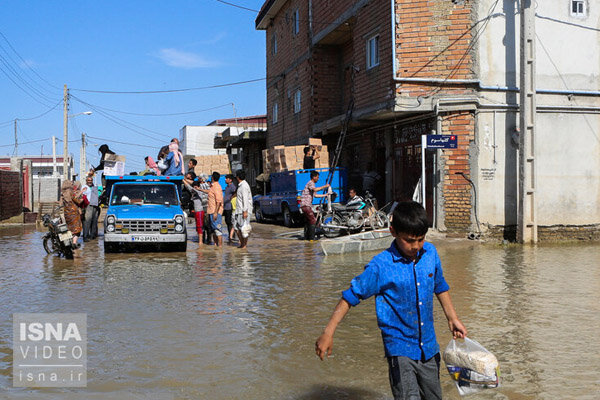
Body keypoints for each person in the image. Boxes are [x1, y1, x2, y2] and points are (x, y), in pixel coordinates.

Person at [315, 201, 468, 400]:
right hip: (399, 348)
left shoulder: (430, 254)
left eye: (420, 239)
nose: (416, 246)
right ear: (393, 232)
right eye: (409, 240)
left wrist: (452, 318)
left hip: (429, 347)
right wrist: (328, 332)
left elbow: (439, 286)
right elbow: (351, 297)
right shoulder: (380, 266)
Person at [300, 170, 330, 241]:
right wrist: (325, 186)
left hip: (306, 206)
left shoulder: (312, 184)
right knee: (313, 220)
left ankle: (307, 237)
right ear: (314, 177)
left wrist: (325, 195)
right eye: (317, 177)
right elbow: (315, 189)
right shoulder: (311, 183)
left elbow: (315, 195)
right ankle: (311, 238)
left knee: (308, 221)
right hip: (306, 205)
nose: (318, 179)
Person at [61, 180, 85, 247]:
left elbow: (61, 203)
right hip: (73, 213)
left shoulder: (63, 193)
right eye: (71, 184)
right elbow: (77, 201)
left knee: (70, 228)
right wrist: (82, 200)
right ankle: (74, 243)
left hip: (66, 213)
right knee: (77, 229)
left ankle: (68, 242)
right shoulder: (71, 192)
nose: (72, 185)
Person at [233, 169, 252, 249]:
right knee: (237, 228)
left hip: (243, 211)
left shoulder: (244, 186)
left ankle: (244, 245)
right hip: (239, 210)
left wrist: (245, 211)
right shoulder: (241, 185)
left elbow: (245, 199)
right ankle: (242, 244)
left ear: (237, 177)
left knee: (244, 229)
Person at [206, 172, 224, 247]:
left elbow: (219, 201)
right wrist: (199, 189)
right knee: (213, 229)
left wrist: (216, 212)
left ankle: (220, 246)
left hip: (215, 212)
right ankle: (216, 245)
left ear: (212, 178)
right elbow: (209, 192)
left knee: (217, 230)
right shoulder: (212, 187)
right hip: (211, 211)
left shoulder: (217, 187)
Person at [82, 176, 99, 241]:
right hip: (88, 205)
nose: (90, 181)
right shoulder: (84, 187)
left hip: (95, 205)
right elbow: (82, 196)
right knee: (87, 221)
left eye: (91, 180)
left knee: (94, 221)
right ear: (86, 181)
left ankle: (92, 236)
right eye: (88, 180)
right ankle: (85, 236)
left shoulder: (94, 187)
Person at [223, 174, 237, 243]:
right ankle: (230, 236)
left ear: (230, 180)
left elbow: (236, 192)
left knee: (230, 223)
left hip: (229, 207)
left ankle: (232, 237)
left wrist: (231, 197)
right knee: (227, 222)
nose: (225, 180)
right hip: (225, 207)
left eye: (226, 178)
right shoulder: (227, 187)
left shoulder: (232, 186)